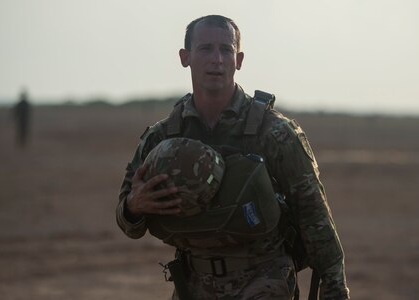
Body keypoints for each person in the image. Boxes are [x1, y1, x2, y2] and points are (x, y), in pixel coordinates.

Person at [116, 15, 350, 300]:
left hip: (264, 281)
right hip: (193, 284)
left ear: (238, 60)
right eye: (205, 49)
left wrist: (335, 289)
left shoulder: (273, 132)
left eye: (226, 50)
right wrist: (133, 206)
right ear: (185, 57)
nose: (217, 59)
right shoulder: (162, 138)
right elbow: (128, 223)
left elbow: (315, 219)